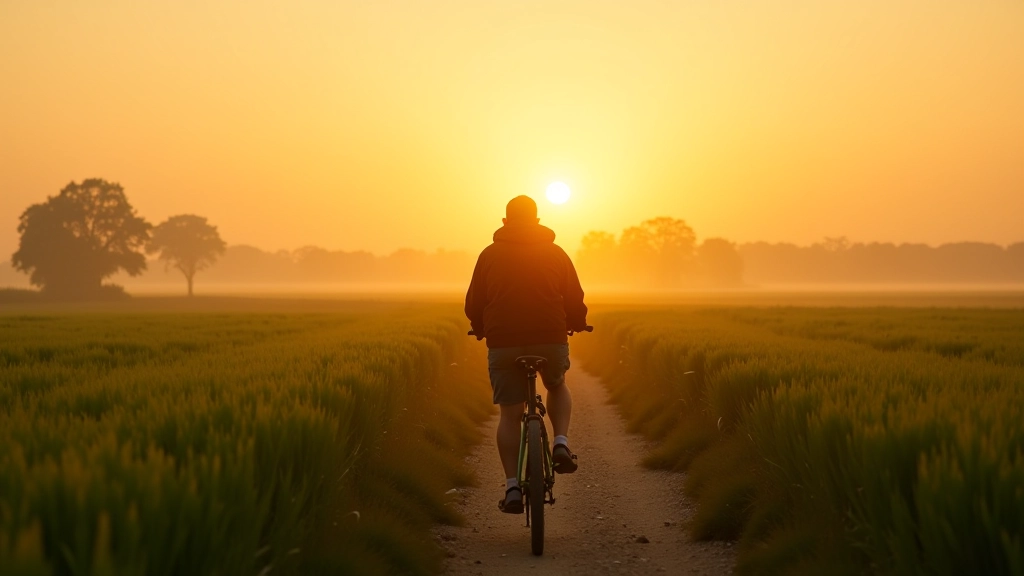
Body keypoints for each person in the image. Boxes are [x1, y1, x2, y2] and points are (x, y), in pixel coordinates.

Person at [465, 195, 589, 514]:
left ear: (505, 222)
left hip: (504, 341)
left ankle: (511, 488)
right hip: (549, 336)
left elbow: (475, 301)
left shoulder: (489, 254)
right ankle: (560, 441)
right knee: (557, 384)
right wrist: (577, 321)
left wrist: (479, 327)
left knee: (510, 414)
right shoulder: (556, 252)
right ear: (537, 220)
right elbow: (574, 296)